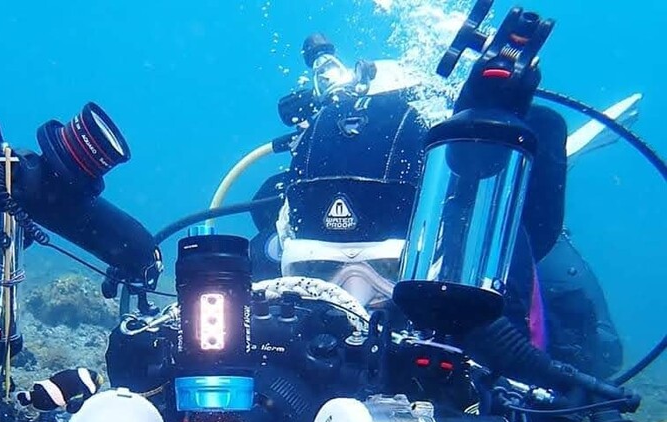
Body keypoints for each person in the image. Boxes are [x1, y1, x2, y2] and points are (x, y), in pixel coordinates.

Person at [246, 41, 624, 380]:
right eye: (317, 271)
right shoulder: (268, 284)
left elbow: (552, 388)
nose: (354, 300)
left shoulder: (475, 287)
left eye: (390, 270)